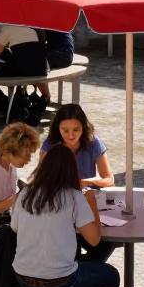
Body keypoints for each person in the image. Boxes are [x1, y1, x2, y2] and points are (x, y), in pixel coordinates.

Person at [11, 143, 120, 287]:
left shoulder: (25, 193)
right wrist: (91, 206)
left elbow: (15, 228)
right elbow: (94, 239)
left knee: (77, 266)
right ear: (72, 169)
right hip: (57, 282)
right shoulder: (73, 196)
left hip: (22, 278)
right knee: (110, 275)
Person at [40, 104, 115, 261]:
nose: (71, 136)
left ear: (84, 128)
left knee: (108, 243)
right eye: (65, 130)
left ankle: (82, 268)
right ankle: (80, 269)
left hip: (86, 202)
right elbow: (41, 177)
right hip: (61, 206)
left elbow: (109, 179)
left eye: (76, 130)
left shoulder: (93, 143)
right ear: (58, 129)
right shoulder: (50, 144)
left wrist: (85, 182)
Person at [0, 25, 48, 118]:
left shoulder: (8, 29)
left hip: (22, 69)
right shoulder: (36, 29)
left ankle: (8, 109)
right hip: (41, 70)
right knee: (9, 64)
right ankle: (13, 108)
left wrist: (1, 42)